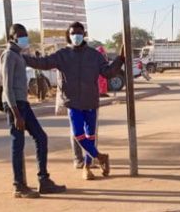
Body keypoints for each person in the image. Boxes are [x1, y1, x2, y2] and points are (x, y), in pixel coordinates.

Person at [23, 22, 123, 181]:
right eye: (73, 33)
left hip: (91, 102)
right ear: (68, 36)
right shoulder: (62, 55)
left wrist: (120, 59)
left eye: (79, 33)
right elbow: (43, 62)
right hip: (72, 102)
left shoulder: (94, 55)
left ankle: (87, 167)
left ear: (84, 35)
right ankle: (100, 156)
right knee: (78, 134)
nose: (76, 36)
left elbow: (107, 72)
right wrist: (24, 58)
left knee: (91, 136)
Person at [1, 23, 66, 198]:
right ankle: (19, 185)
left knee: (41, 137)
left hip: (23, 103)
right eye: (20, 35)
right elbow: (7, 88)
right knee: (18, 143)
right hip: (15, 105)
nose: (24, 38)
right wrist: (16, 114)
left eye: (25, 34)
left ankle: (43, 180)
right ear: (12, 37)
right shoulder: (8, 56)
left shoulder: (18, 55)